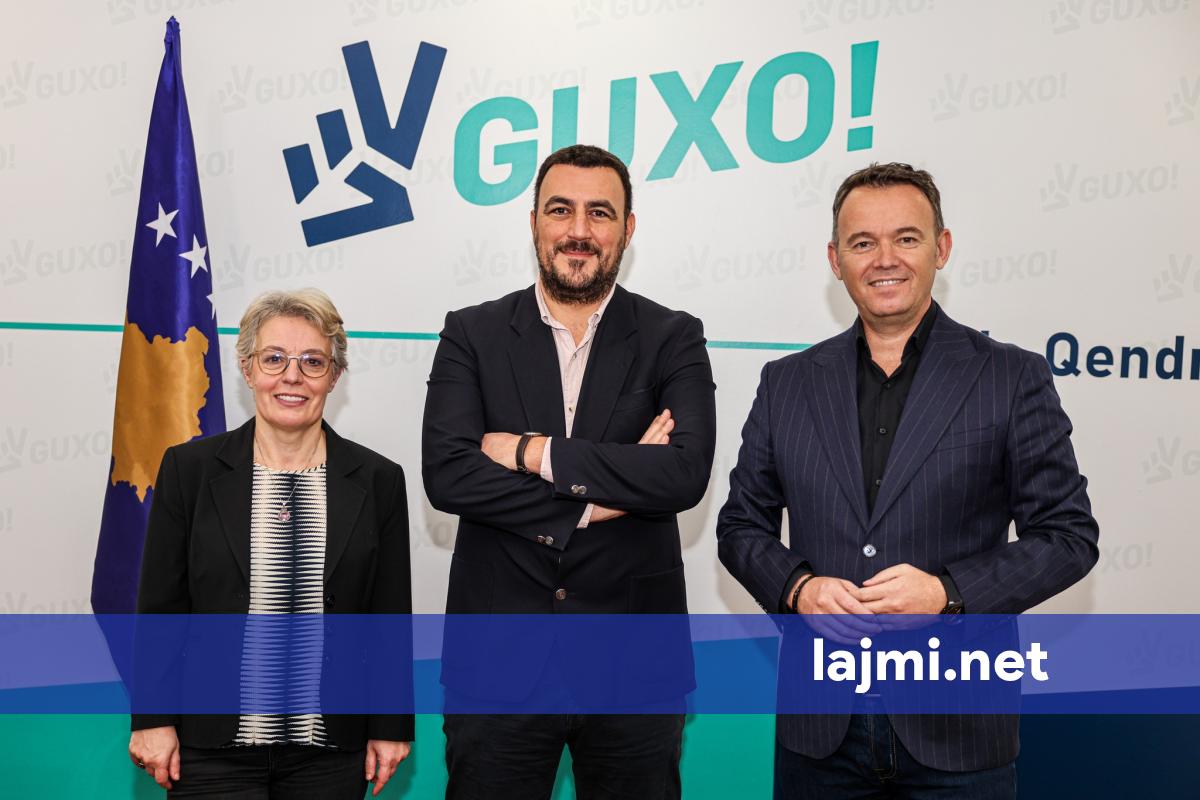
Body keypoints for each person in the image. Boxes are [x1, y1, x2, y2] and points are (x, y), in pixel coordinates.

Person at [716, 163, 1099, 798]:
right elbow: (739, 527)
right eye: (863, 243)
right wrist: (797, 589)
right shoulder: (787, 382)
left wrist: (948, 594)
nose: (884, 259)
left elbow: (1067, 537)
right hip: (819, 728)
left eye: (907, 238)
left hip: (959, 729)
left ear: (941, 248)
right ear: (835, 260)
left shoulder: (1011, 378)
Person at [422, 144, 717, 799]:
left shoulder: (673, 336)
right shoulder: (471, 333)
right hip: (497, 665)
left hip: (635, 668)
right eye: (560, 210)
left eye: (599, 213)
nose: (579, 230)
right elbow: (448, 475)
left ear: (627, 229)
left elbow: (682, 474)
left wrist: (533, 454)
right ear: (533, 221)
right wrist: (593, 502)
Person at [128, 289, 413, 798]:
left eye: (312, 361)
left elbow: (389, 615)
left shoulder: (378, 479)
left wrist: (391, 724)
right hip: (211, 748)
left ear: (334, 376)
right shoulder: (189, 471)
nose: (292, 376)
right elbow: (160, 609)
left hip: (329, 751)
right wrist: (152, 718)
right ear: (247, 368)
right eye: (274, 358)